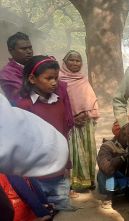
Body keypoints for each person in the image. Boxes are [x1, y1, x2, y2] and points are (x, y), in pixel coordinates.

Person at [16, 55, 74, 211]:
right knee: (43, 211)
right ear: (32, 79)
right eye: (48, 78)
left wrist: (67, 164)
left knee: (62, 210)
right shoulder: (24, 106)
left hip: (59, 173)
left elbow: (63, 135)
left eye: (56, 78)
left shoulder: (58, 102)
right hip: (36, 175)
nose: (54, 82)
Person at [59, 50, 99, 192]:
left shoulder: (83, 79)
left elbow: (91, 100)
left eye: (78, 60)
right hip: (71, 124)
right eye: (72, 60)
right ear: (65, 61)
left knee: (89, 151)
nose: (76, 63)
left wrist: (87, 114)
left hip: (86, 121)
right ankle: (75, 182)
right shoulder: (59, 80)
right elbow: (59, 104)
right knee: (74, 152)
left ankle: (89, 180)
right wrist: (72, 118)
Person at [96, 121, 129, 209]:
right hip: (113, 179)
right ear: (118, 134)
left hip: (127, 179)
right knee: (107, 171)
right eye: (125, 134)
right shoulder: (107, 146)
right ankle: (109, 196)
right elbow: (106, 168)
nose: (128, 136)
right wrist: (122, 157)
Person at [0, 32, 33, 104]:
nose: (29, 51)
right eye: (24, 49)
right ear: (11, 50)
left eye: (30, 48)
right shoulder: (7, 74)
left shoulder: (36, 65)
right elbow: (19, 98)